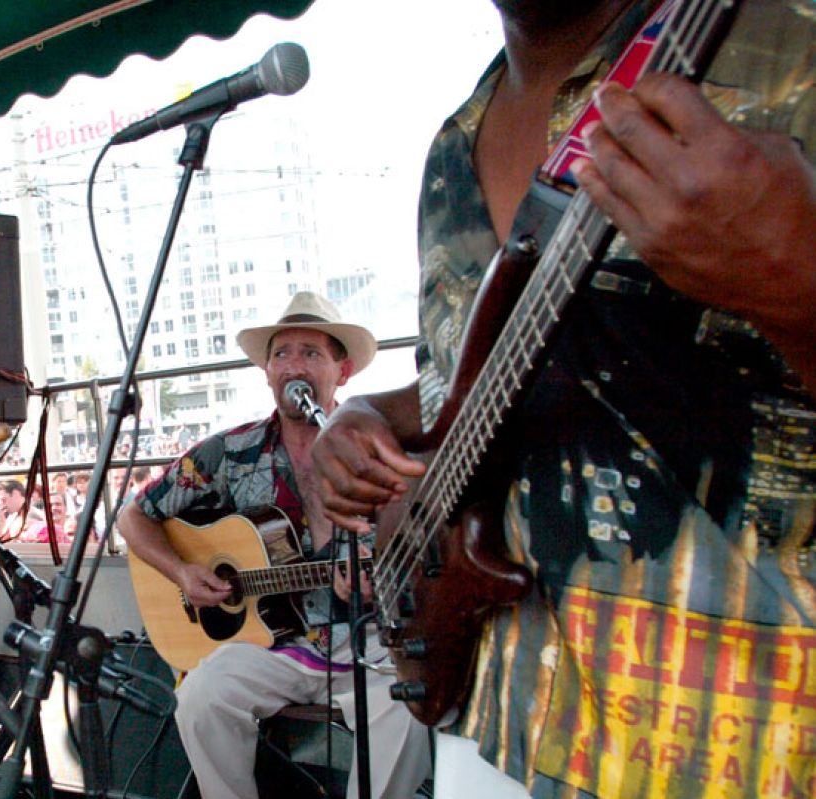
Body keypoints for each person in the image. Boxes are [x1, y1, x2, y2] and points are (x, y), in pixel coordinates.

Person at [310, 2, 816, 798]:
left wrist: (801, 289)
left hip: (741, 745)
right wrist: (369, 414)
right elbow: (473, 376)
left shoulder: (791, 50)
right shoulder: (451, 143)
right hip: (498, 725)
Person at [118, 291, 430, 799]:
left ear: (343, 370)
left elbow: (417, 549)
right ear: (266, 371)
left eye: (310, 353)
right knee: (201, 697)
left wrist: (381, 590)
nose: (293, 366)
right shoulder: (231, 451)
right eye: (281, 354)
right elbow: (134, 517)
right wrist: (181, 572)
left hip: (366, 642)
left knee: (407, 702)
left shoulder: (379, 448)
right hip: (272, 645)